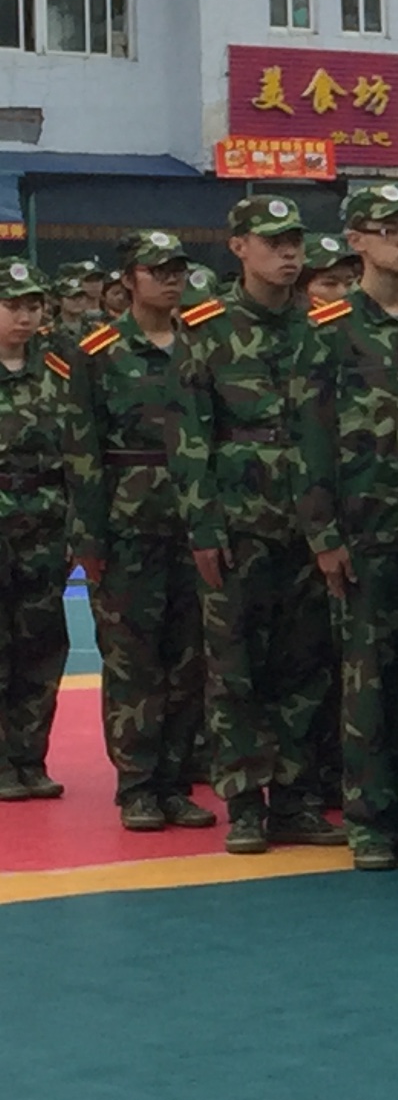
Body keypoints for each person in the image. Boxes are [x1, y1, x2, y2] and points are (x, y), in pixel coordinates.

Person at [176, 190, 348, 855]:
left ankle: (298, 799)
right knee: (235, 668)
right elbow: (190, 438)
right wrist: (204, 526)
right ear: (239, 247)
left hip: (311, 526)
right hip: (239, 524)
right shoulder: (208, 329)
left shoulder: (323, 329)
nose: (288, 255)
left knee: (306, 667)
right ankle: (246, 800)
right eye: (273, 243)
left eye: (294, 243)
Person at [303, 182, 398, 870]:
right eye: (388, 229)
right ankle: (370, 819)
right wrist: (323, 534)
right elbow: (311, 440)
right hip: (363, 527)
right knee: (366, 683)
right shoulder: (330, 331)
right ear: (356, 240)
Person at [63, 230, 212, 830]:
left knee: (190, 660)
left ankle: (176, 782)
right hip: (128, 527)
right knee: (132, 662)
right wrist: (88, 537)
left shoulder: (201, 343)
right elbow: (82, 450)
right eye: (157, 270)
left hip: (196, 524)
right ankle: (138, 785)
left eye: (177, 269)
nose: (171, 280)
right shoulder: (98, 351)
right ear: (128, 281)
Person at [0, 258, 66, 799]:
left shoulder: (58, 370)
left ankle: (29, 756)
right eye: (12, 306)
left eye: (33, 307)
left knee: (41, 646)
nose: (24, 317)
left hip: (46, 523)